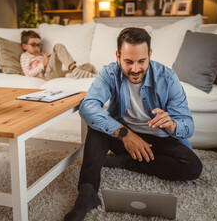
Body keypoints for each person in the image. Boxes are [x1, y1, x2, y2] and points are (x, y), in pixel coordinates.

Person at [64, 27, 203, 221]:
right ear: (118, 56)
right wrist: (125, 134)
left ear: (150, 55)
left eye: (141, 61)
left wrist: (172, 124)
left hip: (158, 139)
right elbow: (88, 106)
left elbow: (188, 124)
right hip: (123, 136)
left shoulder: (168, 78)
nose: (135, 69)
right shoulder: (109, 73)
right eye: (128, 61)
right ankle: (87, 193)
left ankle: (124, 162)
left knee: (192, 167)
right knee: (97, 124)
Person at [20, 30, 96, 80]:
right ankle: (75, 71)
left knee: (88, 66)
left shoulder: (42, 54)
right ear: (24, 46)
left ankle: (72, 75)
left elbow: (54, 65)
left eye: (39, 45)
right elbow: (27, 74)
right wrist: (43, 64)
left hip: (57, 72)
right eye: (33, 45)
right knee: (58, 46)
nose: (37, 47)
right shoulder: (25, 56)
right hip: (45, 75)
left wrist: (49, 58)